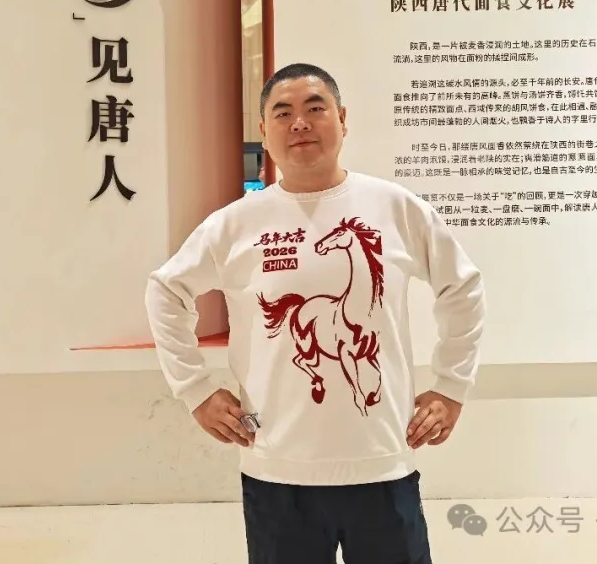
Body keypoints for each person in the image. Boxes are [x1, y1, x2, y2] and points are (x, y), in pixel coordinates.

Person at [145, 63, 486, 564]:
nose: (299, 123)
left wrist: (452, 385)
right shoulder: (235, 224)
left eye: (315, 107)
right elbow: (165, 291)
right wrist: (195, 389)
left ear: (342, 119)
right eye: (282, 113)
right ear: (264, 132)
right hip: (277, 471)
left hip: (382, 462)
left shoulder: (395, 207)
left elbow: (463, 285)